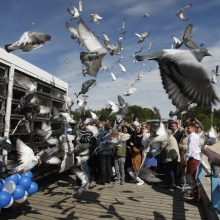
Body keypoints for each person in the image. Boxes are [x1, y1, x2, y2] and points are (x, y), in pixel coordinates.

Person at [185, 124, 202, 201]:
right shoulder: (196, 135)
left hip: (193, 158)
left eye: (188, 128)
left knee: (192, 177)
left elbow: (191, 149)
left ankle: (196, 196)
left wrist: (186, 158)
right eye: (187, 128)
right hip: (196, 157)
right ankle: (195, 194)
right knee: (194, 177)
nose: (187, 129)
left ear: (193, 129)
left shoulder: (192, 136)